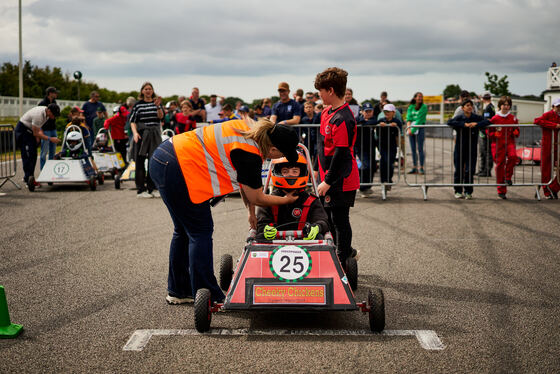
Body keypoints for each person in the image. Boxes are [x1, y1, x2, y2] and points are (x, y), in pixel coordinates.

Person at [148, 118, 300, 304]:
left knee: (183, 230)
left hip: (163, 156)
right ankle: (207, 293)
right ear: (273, 149)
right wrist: (286, 200)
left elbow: (246, 184)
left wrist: (250, 213)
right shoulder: (250, 153)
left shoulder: (251, 130)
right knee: (200, 232)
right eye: (283, 154)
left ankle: (179, 289)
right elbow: (257, 197)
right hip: (179, 167)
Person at [314, 67, 360, 266]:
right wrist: (316, 168)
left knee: (340, 220)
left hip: (342, 178)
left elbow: (341, 154)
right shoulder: (326, 112)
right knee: (328, 219)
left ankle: (342, 261)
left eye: (321, 91)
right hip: (326, 176)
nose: (319, 95)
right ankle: (344, 252)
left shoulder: (344, 119)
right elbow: (322, 144)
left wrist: (328, 181)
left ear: (330, 91)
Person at [257, 152, 329, 240]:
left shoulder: (311, 201)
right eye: (285, 171)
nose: (290, 174)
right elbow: (260, 223)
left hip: (305, 247)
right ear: (277, 172)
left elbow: (323, 221)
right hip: (275, 247)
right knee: (260, 237)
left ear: (302, 172)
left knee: (319, 237)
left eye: (294, 171)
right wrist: (265, 228)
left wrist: (317, 227)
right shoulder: (269, 201)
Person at [447, 99, 491, 199]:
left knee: (469, 170)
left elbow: (487, 121)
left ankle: (468, 192)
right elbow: (449, 122)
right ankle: (458, 191)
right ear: (463, 108)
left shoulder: (476, 117)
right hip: (460, 147)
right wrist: (463, 125)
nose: (470, 107)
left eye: (471, 105)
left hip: (471, 148)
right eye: (467, 105)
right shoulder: (459, 117)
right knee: (459, 169)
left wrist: (476, 124)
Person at [129, 82, 164, 198]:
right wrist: (135, 133)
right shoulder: (138, 105)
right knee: (140, 162)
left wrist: (158, 106)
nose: (148, 91)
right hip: (142, 134)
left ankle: (152, 188)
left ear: (152, 91)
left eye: (150, 89)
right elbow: (132, 121)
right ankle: (141, 190)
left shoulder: (157, 103)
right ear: (142, 91)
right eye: (146, 89)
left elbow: (160, 117)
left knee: (153, 161)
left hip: (154, 134)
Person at [14, 104, 61, 188]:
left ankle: (29, 178)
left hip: (30, 131)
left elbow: (38, 128)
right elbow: (36, 133)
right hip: (22, 131)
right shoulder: (38, 115)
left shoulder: (46, 115)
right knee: (27, 155)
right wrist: (50, 139)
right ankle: (28, 179)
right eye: (54, 115)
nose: (54, 117)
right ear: (49, 111)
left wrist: (39, 137)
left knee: (33, 155)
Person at [488, 96, 519, 199]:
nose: (506, 107)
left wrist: (516, 132)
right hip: (498, 144)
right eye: (504, 104)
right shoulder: (495, 118)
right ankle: (501, 190)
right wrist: (493, 135)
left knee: (513, 157)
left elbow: (517, 130)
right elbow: (488, 132)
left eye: (508, 105)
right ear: (500, 106)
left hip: (509, 142)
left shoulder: (513, 118)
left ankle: (508, 177)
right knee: (500, 165)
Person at [533, 98, 560, 199]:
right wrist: (554, 125)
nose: (559, 109)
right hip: (548, 145)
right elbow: (537, 120)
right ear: (553, 107)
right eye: (557, 106)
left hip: (558, 146)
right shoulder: (548, 114)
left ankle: (553, 187)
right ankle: (546, 191)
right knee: (546, 169)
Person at [377, 104, 402, 189]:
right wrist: (380, 125)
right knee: (383, 162)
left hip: (392, 145)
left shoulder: (396, 121)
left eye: (388, 111)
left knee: (390, 162)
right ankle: (383, 180)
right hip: (382, 145)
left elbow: (400, 128)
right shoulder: (381, 120)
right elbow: (376, 128)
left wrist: (395, 126)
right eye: (385, 111)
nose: (386, 113)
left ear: (393, 112)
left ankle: (389, 180)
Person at [355, 102, 377, 197]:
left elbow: (374, 122)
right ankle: (362, 187)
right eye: (366, 111)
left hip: (371, 147)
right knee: (366, 166)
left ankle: (368, 187)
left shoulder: (373, 119)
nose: (368, 113)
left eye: (370, 111)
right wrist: (363, 122)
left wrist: (364, 122)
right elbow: (356, 122)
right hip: (360, 147)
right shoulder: (357, 119)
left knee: (372, 167)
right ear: (362, 111)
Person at [406, 92, 428, 175]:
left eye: (421, 97)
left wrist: (412, 130)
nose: (420, 98)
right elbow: (408, 118)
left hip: (420, 128)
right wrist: (409, 128)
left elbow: (420, 119)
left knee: (420, 149)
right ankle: (414, 167)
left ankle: (421, 167)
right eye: (419, 97)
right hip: (411, 129)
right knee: (413, 149)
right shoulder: (411, 107)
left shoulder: (424, 107)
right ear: (415, 98)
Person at [37, 86, 58, 170]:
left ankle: (50, 170)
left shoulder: (55, 102)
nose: (56, 94)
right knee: (44, 152)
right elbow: (39, 118)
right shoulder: (42, 103)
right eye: (55, 92)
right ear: (50, 93)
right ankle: (43, 171)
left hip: (53, 129)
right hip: (45, 130)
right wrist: (40, 130)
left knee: (52, 153)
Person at [477, 92, 495, 177]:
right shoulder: (491, 107)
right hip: (487, 132)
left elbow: (487, 120)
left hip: (485, 132)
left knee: (486, 152)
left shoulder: (488, 108)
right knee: (485, 151)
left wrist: (478, 124)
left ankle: (486, 170)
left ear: (484, 99)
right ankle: (483, 169)